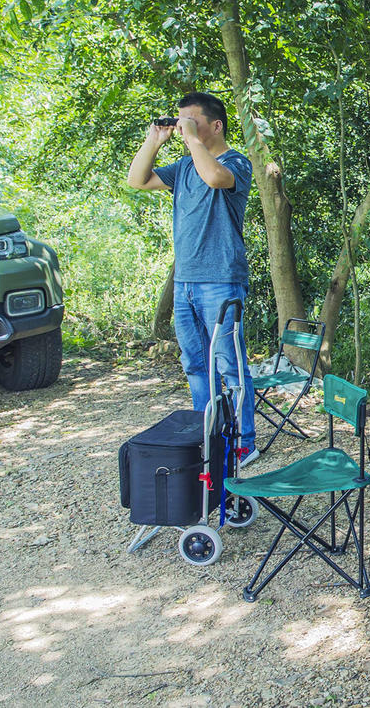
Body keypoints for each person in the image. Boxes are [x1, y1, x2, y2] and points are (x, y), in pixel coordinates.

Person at [127, 92, 258, 466]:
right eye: (181, 121)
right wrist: (154, 141)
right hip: (185, 282)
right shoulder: (184, 166)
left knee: (229, 365)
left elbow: (216, 177)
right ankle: (210, 437)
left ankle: (245, 442)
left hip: (220, 280)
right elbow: (138, 179)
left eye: (192, 121)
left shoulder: (235, 162)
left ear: (215, 125)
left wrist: (192, 140)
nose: (185, 128)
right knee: (196, 365)